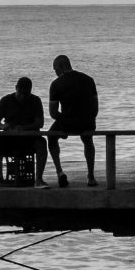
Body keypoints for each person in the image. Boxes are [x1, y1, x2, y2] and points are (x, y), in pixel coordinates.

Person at [45, 55, 99, 187]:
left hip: (67, 122)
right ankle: (91, 176)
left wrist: (63, 121)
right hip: (87, 121)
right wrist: (89, 119)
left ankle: (60, 172)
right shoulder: (88, 80)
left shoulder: (56, 84)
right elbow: (95, 107)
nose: (55, 73)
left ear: (61, 67)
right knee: (88, 140)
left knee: (51, 137)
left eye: (55, 69)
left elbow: (53, 113)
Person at [0, 76, 47, 185]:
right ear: (16, 88)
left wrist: (24, 128)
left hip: (29, 138)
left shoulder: (35, 100)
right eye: (20, 93)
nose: (23, 96)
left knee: (42, 143)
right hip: (9, 136)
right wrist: (3, 127)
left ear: (30, 90)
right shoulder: (6, 100)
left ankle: (39, 179)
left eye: (26, 94)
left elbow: (40, 123)